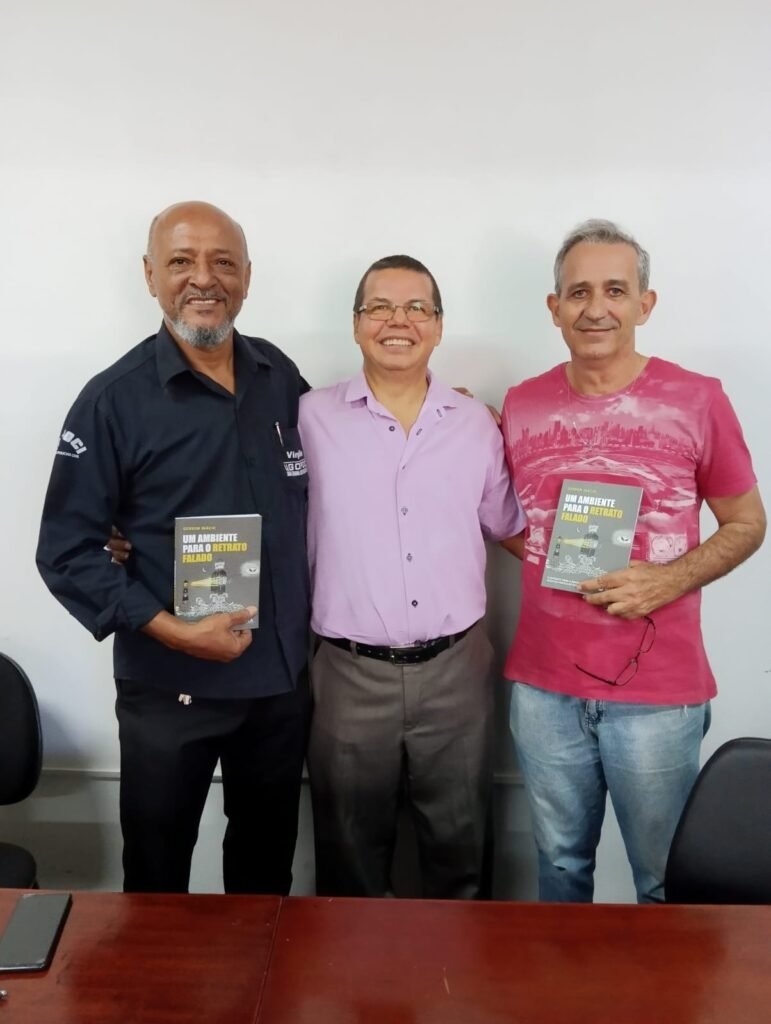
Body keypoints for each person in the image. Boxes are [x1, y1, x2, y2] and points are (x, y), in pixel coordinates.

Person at [36, 201, 311, 894]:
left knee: (264, 877)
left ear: (247, 276)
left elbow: (346, 450)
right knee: (157, 883)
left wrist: (437, 407)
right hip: (169, 688)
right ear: (150, 274)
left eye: (223, 262)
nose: (204, 278)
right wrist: (172, 630)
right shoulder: (112, 400)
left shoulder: (279, 375)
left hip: (279, 683)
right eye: (182, 261)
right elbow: (66, 550)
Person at [501, 219, 766, 903]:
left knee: (662, 881)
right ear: (554, 307)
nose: (596, 308)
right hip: (544, 688)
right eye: (578, 292)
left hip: (656, 695)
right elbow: (509, 523)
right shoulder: (522, 405)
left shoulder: (698, 399)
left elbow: (747, 523)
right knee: (560, 869)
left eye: (615, 290)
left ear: (644, 304)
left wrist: (667, 580)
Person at [301, 255, 526, 899]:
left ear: (438, 325)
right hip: (347, 675)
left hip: (457, 672)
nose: (397, 321)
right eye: (380, 307)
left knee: (462, 857)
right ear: (355, 324)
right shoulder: (308, 418)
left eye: (416, 308)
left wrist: (613, 563)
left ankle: (458, 968)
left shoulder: (476, 425)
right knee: (349, 863)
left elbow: (508, 526)